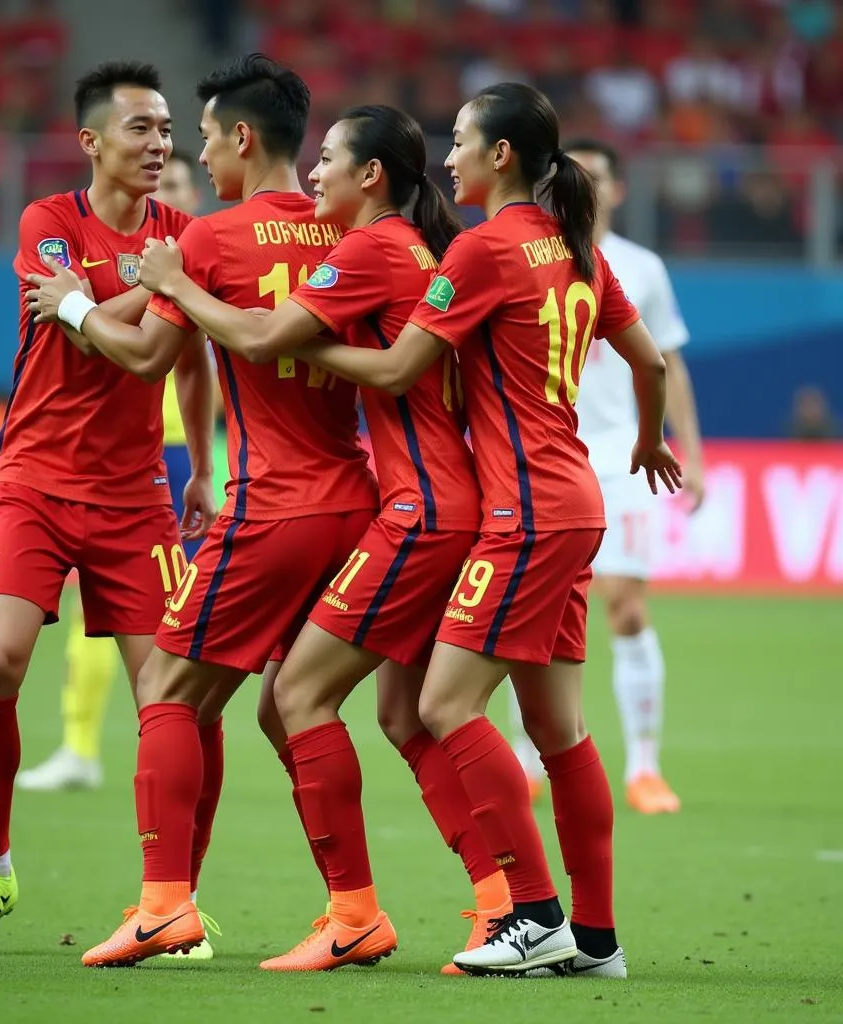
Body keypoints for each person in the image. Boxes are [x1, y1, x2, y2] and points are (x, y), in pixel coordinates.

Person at [292, 83, 681, 977]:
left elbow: (394, 368)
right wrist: (651, 441)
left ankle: (534, 916)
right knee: (561, 730)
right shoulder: (576, 248)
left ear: (501, 155)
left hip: (524, 514)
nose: (451, 156)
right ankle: (595, 938)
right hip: (577, 500)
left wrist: (302, 346)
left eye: (462, 141)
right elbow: (651, 360)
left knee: (442, 704)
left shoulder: (483, 250)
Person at [24, 53, 379, 969]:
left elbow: (143, 359)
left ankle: (164, 906)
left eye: (209, 137)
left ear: (244, 137)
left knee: (170, 693)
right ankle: (366, 909)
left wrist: (70, 303)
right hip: (364, 504)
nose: (200, 156)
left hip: (273, 512)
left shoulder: (216, 241)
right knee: (298, 707)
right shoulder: (357, 237)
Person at [144, 104, 516, 973]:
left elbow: (265, 335)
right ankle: (507, 906)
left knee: (292, 700)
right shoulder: (413, 250)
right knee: (412, 714)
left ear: (371, 175)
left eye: (332, 163)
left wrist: (175, 281)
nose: (317, 176)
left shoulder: (374, 248)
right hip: (424, 500)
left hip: (417, 510)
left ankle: (355, 914)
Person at [0, 61, 217, 955]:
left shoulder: (185, 233)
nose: (161, 143)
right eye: (141, 128)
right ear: (92, 140)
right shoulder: (48, 223)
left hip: (136, 497)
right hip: (31, 480)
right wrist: (158, 285)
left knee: (172, 699)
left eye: (168, 129)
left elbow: (169, 357)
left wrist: (204, 466)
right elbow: (85, 323)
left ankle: (173, 902)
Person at [508, 138, 704, 814]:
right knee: (528, 611)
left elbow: (667, 362)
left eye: (593, 176)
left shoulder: (641, 268)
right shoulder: (529, 252)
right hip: (540, 454)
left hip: (624, 457)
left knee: (623, 602)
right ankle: (527, 755)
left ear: (617, 189)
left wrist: (691, 452)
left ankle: (644, 767)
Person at [16, 149, 216, 796]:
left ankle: (175, 751)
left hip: (172, 454)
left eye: (185, 184)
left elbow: (189, 366)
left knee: (173, 627)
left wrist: (207, 466)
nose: (174, 195)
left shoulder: (190, 255)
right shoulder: (141, 257)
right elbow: (82, 330)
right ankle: (80, 743)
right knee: (89, 611)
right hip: (113, 455)